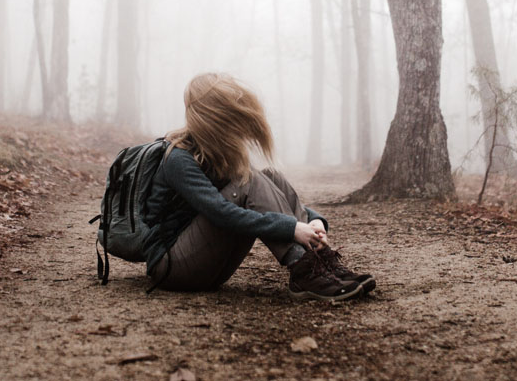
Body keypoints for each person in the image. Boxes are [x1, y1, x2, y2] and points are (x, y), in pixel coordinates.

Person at [141, 72, 375, 301]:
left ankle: (322, 262)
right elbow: (221, 213)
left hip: (206, 265)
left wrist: (314, 221)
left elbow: (267, 198)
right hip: (172, 267)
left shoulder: (218, 152)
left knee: (271, 176)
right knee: (249, 180)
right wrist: (292, 228)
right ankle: (303, 271)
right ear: (211, 116)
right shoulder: (178, 158)